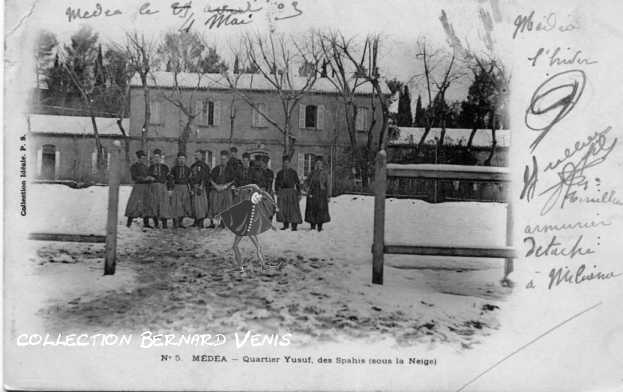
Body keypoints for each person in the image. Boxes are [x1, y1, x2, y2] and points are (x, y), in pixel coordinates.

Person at [218, 184, 278, 272]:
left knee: (238, 246)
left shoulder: (251, 202)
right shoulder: (250, 201)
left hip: (244, 227)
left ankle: (243, 267)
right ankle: (255, 266)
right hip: (246, 227)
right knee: (254, 247)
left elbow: (264, 200)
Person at [125, 150, 154, 228]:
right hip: (138, 187)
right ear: (138, 158)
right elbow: (134, 177)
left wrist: (150, 178)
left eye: (144, 158)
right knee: (134, 204)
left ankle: (146, 223)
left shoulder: (146, 167)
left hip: (146, 188)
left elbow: (149, 175)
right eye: (141, 158)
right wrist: (144, 179)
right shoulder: (134, 166)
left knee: (146, 204)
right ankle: (129, 223)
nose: (143, 160)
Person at [275, 155, 302, 231]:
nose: (286, 164)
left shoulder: (293, 172)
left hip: (291, 193)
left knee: (293, 209)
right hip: (283, 192)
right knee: (284, 209)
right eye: (284, 163)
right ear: (283, 164)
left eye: (287, 163)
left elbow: (297, 183)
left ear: (290, 163)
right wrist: (277, 191)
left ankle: (294, 226)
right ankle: (285, 225)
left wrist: (299, 193)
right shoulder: (280, 173)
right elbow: (276, 183)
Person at [209, 150, 236, 227]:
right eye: (221, 159)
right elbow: (210, 179)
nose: (222, 161)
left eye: (224, 159)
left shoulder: (230, 169)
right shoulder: (216, 169)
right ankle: (213, 223)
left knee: (225, 207)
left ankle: (223, 223)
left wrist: (225, 186)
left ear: (227, 160)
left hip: (226, 190)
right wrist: (216, 186)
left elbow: (233, 180)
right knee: (215, 206)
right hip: (217, 190)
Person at [304, 157, 331, 231]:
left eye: (320, 163)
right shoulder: (312, 173)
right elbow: (306, 181)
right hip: (312, 193)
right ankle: (312, 225)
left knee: (320, 209)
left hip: (321, 193)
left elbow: (328, 184)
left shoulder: (325, 173)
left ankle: (320, 226)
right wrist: (306, 188)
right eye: (317, 163)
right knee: (311, 209)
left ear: (322, 165)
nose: (318, 165)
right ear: (315, 164)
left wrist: (328, 195)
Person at [148, 149, 171, 228]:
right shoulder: (150, 168)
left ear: (161, 158)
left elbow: (169, 178)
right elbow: (148, 177)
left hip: (162, 187)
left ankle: (165, 224)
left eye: (158, 157)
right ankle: (156, 223)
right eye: (155, 157)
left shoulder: (165, 167)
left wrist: (169, 189)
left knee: (163, 205)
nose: (156, 159)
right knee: (154, 205)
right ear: (153, 159)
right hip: (153, 187)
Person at [168, 152, 192, 229]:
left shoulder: (188, 169)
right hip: (176, 187)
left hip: (185, 188)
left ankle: (181, 222)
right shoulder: (174, 169)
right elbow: (171, 179)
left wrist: (190, 189)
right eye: (180, 159)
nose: (181, 160)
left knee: (184, 205)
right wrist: (170, 189)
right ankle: (175, 222)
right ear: (177, 159)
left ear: (186, 160)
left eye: (183, 159)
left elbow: (190, 180)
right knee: (176, 205)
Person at [190, 150, 210, 228]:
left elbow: (206, 177)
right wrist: (192, 187)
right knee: (195, 205)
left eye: (198, 155)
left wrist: (202, 185)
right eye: (195, 155)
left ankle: (201, 222)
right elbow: (191, 177)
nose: (196, 157)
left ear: (201, 156)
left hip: (201, 187)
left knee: (201, 205)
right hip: (194, 187)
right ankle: (196, 220)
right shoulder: (193, 166)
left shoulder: (205, 166)